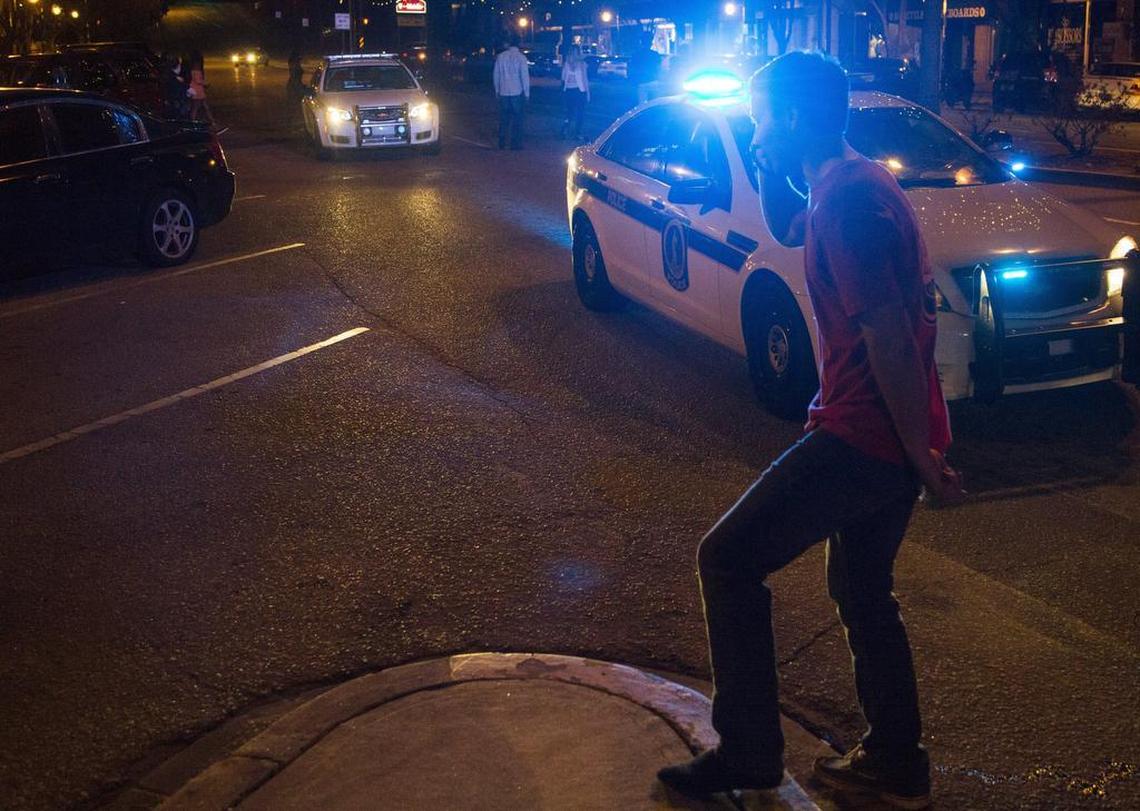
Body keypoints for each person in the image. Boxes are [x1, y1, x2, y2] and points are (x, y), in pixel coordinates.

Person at [656, 51, 963, 810]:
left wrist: (919, 457)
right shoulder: (848, 184)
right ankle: (896, 759)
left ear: (791, 117)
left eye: (763, 118)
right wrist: (767, 164)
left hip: (865, 434)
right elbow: (789, 226)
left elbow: (888, 334)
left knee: (727, 558)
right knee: (862, 590)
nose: (758, 131)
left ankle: (752, 750)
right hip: (888, 431)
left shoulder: (851, 204)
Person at [493, 32, 530, 150]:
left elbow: (496, 75)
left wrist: (497, 89)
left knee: (504, 118)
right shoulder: (521, 58)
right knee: (517, 119)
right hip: (516, 91)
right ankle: (515, 143)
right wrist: (526, 92)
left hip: (503, 91)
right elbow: (524, 77)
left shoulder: (501, 56)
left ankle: (502, 141)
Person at [560, 45, 590, 141]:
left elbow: (563, 78)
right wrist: (588, 93)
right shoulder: (582, 64)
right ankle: (577, 133)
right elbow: (585, 79)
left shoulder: (567, 64)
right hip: (579, 91)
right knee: (580, 113)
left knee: (569, 112)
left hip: (569, 91)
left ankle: (565, 130)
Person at [627, 34, 662, 105]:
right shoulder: (655, 54)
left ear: (641, 42)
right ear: (651, 43)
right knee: (656, 104)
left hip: (642, 82)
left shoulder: (636, 54)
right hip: (653, 81)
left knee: (642, 106)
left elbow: (632, 68)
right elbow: (659, 67)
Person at [187, 51, 214, 126]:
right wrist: (205, 84)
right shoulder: (196, 71)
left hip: (198, 91)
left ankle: (211, 120)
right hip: (198, 92)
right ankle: (192, 122)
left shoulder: (193, 70)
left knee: (203, 106)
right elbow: (198, 81)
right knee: (197, 107)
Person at [161, 52, 188, 120]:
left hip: (169, 106)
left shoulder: (167, 76)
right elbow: (178, 92)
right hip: (176, 106)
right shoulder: (175, 79)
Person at [286, 49, 305, 123]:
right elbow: (295, 78)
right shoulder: (294, 65)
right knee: (295, 106)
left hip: (294, 86)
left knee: (294, 106)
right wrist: (301, 89)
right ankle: (292, 122)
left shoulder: (294, 64)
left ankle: (292, 121)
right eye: (299, 58)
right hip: (294, 87)